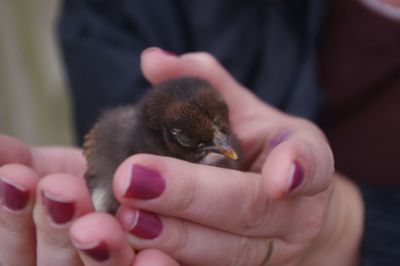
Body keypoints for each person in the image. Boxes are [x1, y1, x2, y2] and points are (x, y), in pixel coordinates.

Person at [0, 0, 398, 265]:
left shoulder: (228, 149)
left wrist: (348, 227)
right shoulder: (117, 139)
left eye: (224, 133)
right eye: (200, 141)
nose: (227, 148)